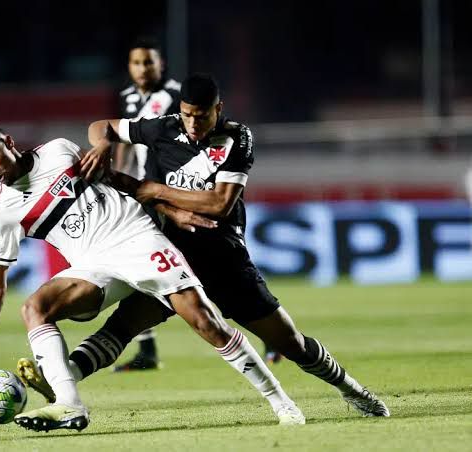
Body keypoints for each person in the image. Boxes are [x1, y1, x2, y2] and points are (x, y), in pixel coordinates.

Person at [66, 73, 390, 418]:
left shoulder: (237, 137)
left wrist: (156, 190)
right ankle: (58, 385)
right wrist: (103, 144)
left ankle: (352, 390)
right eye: (187, 114)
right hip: (169, 256)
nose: (192, 123)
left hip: (222, 258)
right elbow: (100, 126)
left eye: (201, 115)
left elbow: (219, 203)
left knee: (291, 343)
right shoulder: (163, 128)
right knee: (120, 328)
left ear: (218, 109)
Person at [0, 122, 305, 433]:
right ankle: (69, 403)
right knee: (35, 307)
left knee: (206, 322)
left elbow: (116, 180)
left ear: (8, 142)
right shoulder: (3, 212)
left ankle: (282, 403)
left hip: (135, 238)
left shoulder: (59, 150)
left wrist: (170, 209)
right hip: (92, 265)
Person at [111, 37, 182, 371]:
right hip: (143, 193)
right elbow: (124, 139)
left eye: (149, 62)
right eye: (137, 63)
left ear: (161, 64)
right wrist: (118, 175)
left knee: (202, 262)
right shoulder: (127, 97)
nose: (143, 68)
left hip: (171, 191)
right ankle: (147, 349)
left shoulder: (174, 95)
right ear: (129, 67)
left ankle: (268, 331)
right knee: (139, 266)